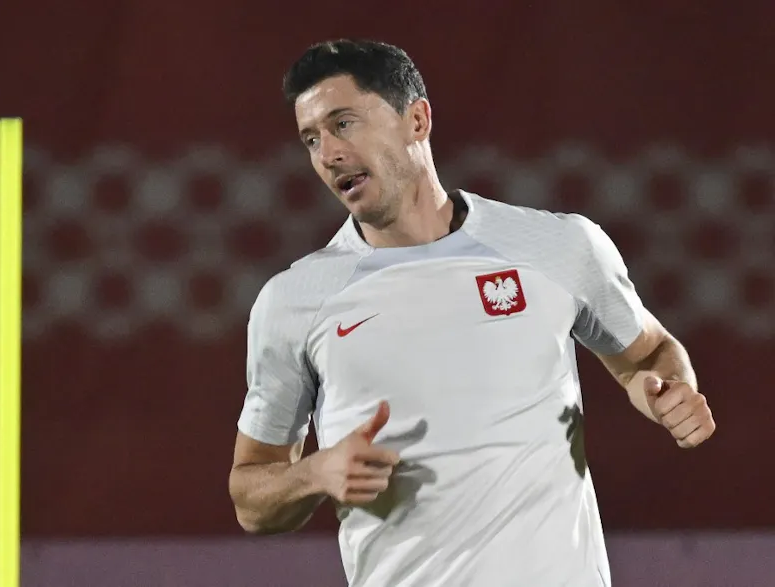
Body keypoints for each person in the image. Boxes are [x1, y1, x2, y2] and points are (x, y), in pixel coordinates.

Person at [227, 39, 715, 587]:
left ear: (416, 120)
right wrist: (312, 474)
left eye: (344, 124)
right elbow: (251, 495)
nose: (327, 153)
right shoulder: (295, 300)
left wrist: (669, 388)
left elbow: (648, 353)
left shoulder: (559, 247)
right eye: (311, 138)